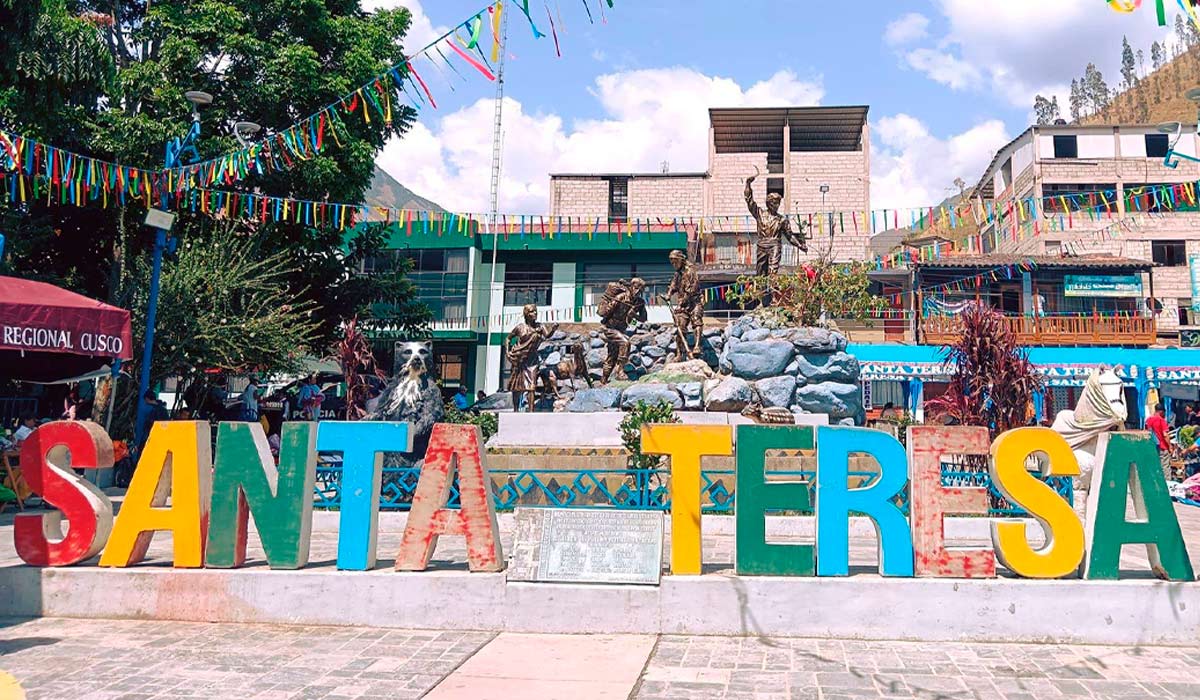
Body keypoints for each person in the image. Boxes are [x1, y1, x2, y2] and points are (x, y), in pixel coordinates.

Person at [1146, 404, 1175, 480]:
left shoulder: (1148, 420)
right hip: (1162, 447)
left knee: (1155, 465)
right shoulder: (1161, 420)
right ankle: (1167, 484)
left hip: (1152, 447)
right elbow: (1165, 435)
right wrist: (1170, 446)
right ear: (1161, 412)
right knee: (1165, 467)